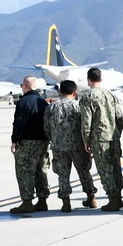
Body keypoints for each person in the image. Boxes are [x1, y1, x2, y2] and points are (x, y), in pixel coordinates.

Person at [44, 80, 98, 213]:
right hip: (78, 145)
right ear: (75, 92)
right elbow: (86, 125)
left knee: (62, 174)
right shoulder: (78, 106)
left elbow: (46, 128)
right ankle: (91, 197)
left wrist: (54, 139)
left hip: (59, 146)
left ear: (60, 91)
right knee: (84, 172)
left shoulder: (51, 107)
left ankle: (66, 202)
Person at [80, 67, 123, 212]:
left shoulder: (88, 97)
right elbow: (120, 118)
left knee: (105, 169)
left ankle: (113, 199)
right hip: (113, 136)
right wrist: (116, 132)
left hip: (100, 138)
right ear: (101, 79)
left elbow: (86, 121)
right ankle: (118, 197)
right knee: (116, 168)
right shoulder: (110, 95)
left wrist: (86, 139)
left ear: (89, 80)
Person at [10, 76, 51, 214]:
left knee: (25, 171)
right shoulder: (43, 102)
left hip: (27, 141)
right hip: (43, 141)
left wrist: (14, 139)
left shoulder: (23, 102)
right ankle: (42, 200)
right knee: (41, 170)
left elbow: (19, 122)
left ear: (25, 86)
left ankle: (27, 202)